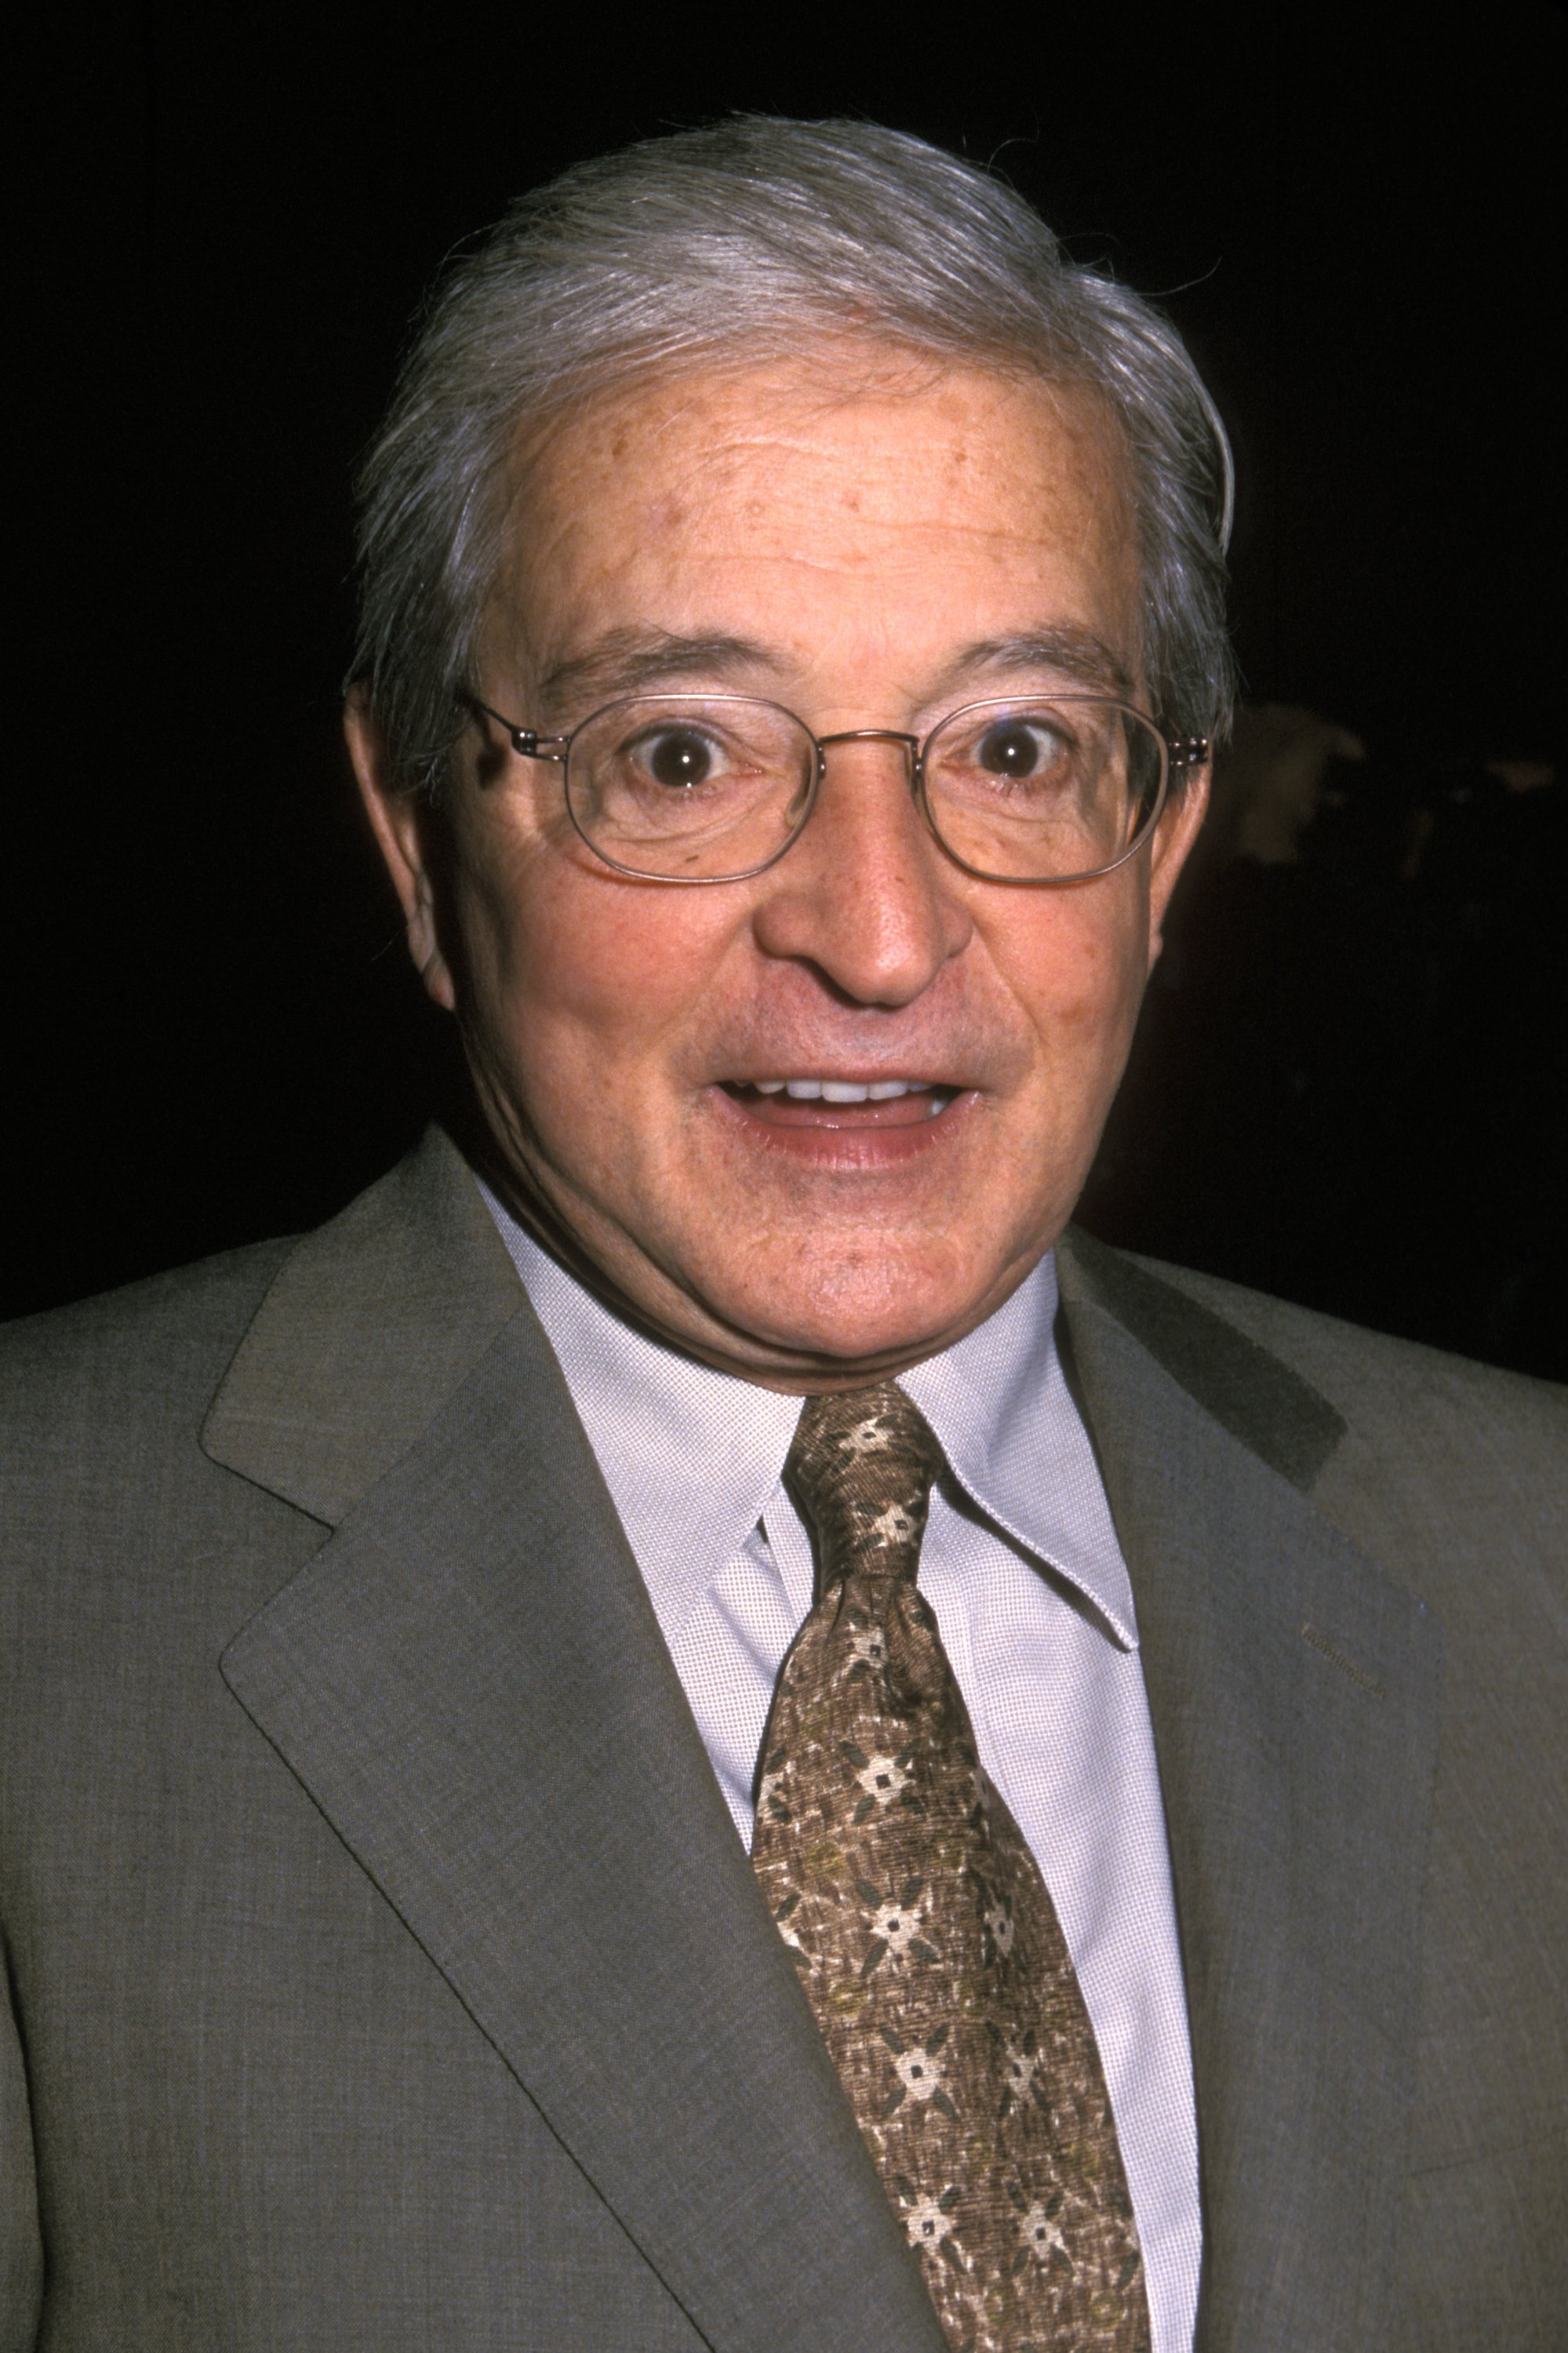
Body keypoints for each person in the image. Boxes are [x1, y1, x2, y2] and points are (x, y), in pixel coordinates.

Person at [1, 118, 1562, 2353]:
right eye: (682, 756)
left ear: (1168, 838)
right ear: (420, 840)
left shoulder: (1535, 1562)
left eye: (1013, 746)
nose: (877, 927)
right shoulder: (35, 1623)